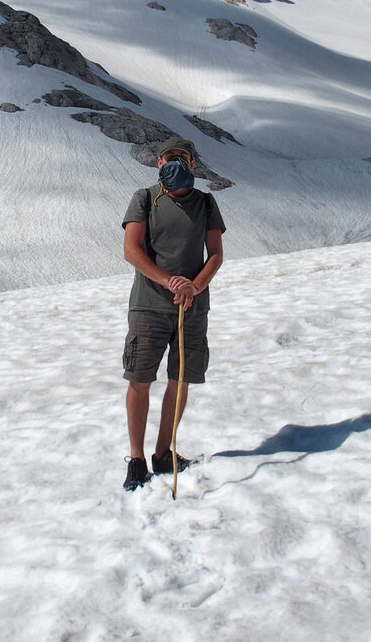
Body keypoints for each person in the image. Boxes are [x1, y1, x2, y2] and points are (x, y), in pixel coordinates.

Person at [121, 137, 226, 491]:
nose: (176, 164)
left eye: (183, 158)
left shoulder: (206, 203)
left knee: (180, 379)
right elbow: (132, 251)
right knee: (140, 378)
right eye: (170, 158)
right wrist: (170, 282)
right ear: (159, 162)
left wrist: (194, 287)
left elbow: (215, 254)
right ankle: (137, 459)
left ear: (193, 164)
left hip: (191, 307)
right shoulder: (145, 199)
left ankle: (164, 453)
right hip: (149, 304)